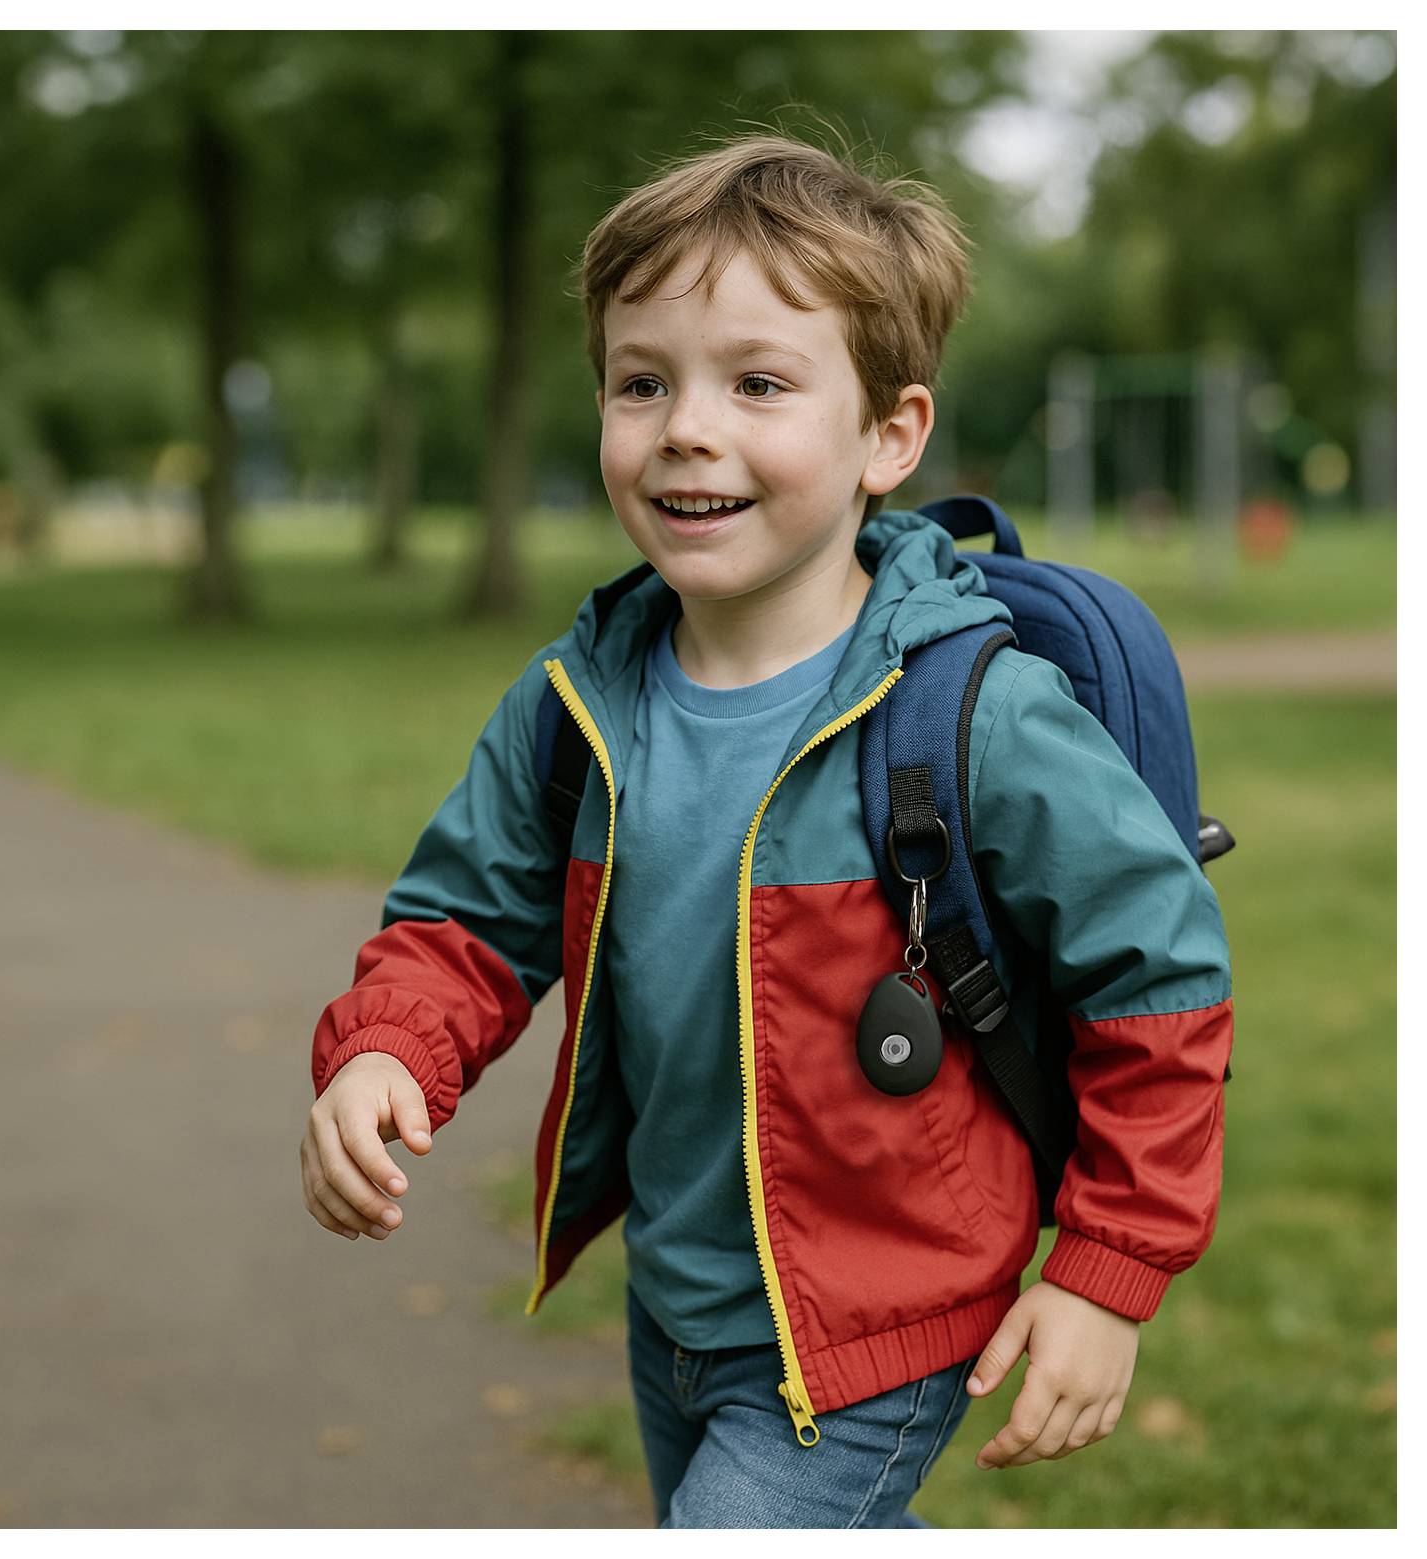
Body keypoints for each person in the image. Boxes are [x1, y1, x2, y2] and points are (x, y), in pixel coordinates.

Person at [299, 131, 1234, 1528]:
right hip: (677, 1301)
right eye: (641, 382)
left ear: (887, 437)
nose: (685, 425)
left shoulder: (976, 713)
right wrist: (385, 1048)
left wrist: (1106, 1270)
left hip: (885, 1316)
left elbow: (1157, 985)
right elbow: (464, 921)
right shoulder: (579, 701)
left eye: (757, 383)